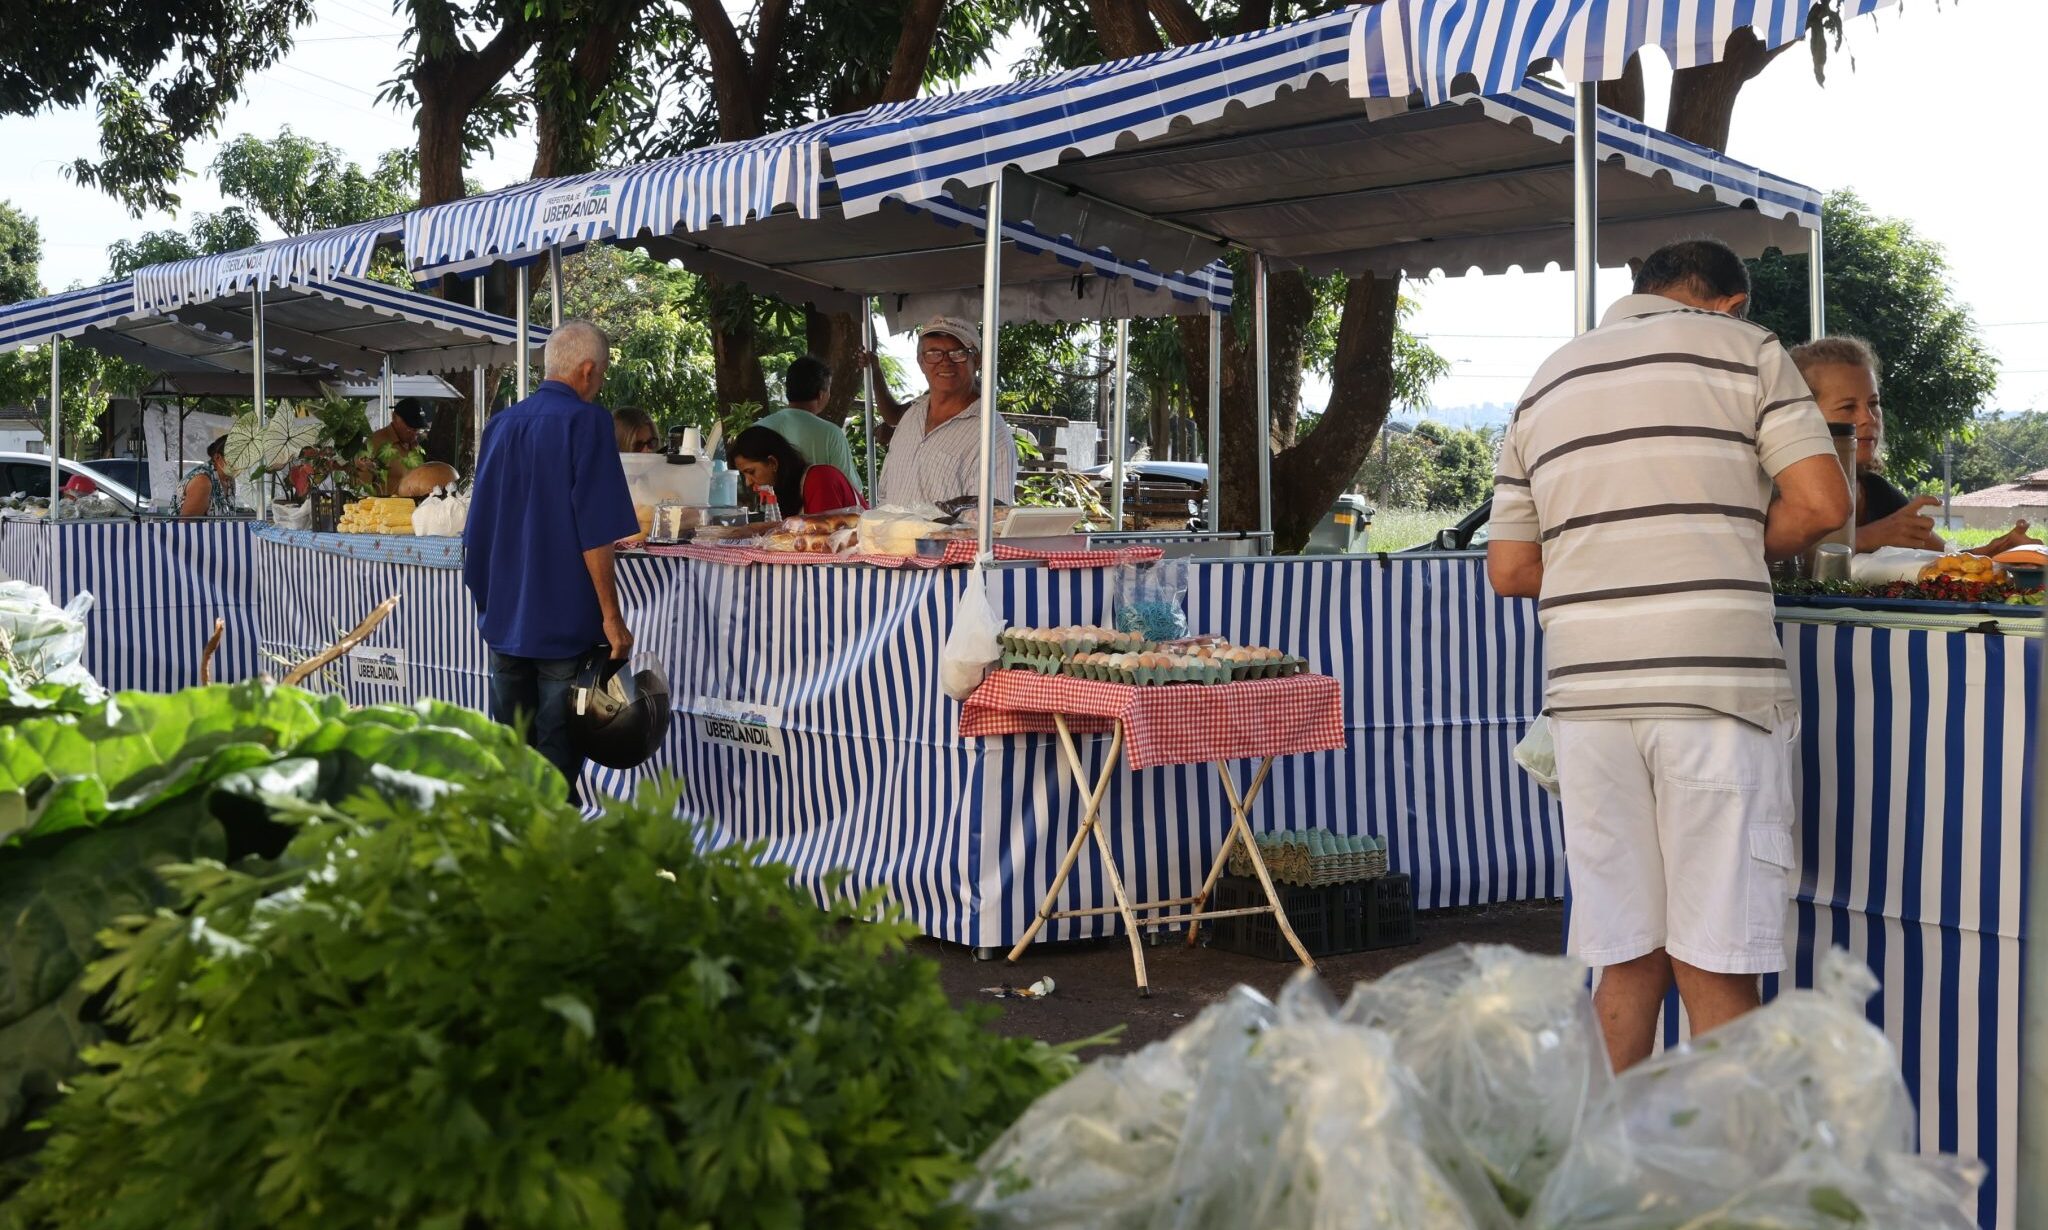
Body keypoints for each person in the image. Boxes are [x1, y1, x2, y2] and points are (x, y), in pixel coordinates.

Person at [1485, 239, 1852, 1074]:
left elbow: (1509, 569)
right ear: (1729, 302)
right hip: (1712, 694)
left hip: (1586, 705)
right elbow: (1821, 503)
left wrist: (1612, 566)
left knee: (1626, 956)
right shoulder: (1745, 349)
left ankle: (1605, 1146)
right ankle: (1724, 1156)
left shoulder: (1549, 379)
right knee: (1715, 959)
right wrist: (1722, 547)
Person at [462, 319, 639, 798]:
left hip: (504, 619)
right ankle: (549, 840)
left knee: (511, 756)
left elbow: (477, 525)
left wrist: (489, 602)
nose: (599, 384)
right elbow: (596, 531)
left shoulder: (500, 424)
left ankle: (511, 837)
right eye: (601, 374)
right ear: (587, 370)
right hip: (563, 624)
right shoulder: (589, 422)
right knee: (555, 762)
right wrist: (611, 617)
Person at [1789, 336, 2040, 556]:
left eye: (1873, 403)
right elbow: (1776, 560)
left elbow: (1949, 562)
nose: (1869, 418)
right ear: (1801, 417)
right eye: (1848, 407)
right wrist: (1868, 538)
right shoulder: (1779, 492)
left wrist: (1997, 551)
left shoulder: (1879, 494)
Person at [862, 316, 1018, 508]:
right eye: (934, 353)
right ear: (921, 362)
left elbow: (992, 517)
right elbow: (886, 494)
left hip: (943, 532)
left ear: (977, 360)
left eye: (958, 353)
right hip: (886, 528)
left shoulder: (992, 436)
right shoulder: (911, 416)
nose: (945, 361)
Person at [755, 355, 864, 494]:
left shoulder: (758, 429)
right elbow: (851, 491)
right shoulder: (831, 434)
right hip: (819, 508)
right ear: (821, 394)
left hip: (768, 507)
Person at [726, 424, 865, 518]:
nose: (748, 482)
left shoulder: (820, 479)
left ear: (773, 463)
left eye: (751, 472)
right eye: (744, 475)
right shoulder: (783, 492)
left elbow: (822, 537)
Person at [366, 399, 434, 496]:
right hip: (385, 505)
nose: (414, 433)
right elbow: (361, 487)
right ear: (394, 417)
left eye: (417, 429)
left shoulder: (415, 445)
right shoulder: (374, 442)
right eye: (410, 427)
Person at [179, 435, 239, 517]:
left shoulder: (229, 480)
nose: (241, 464)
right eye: (236, 458)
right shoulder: (202, 482)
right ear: (217, 457)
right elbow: (187, 524)